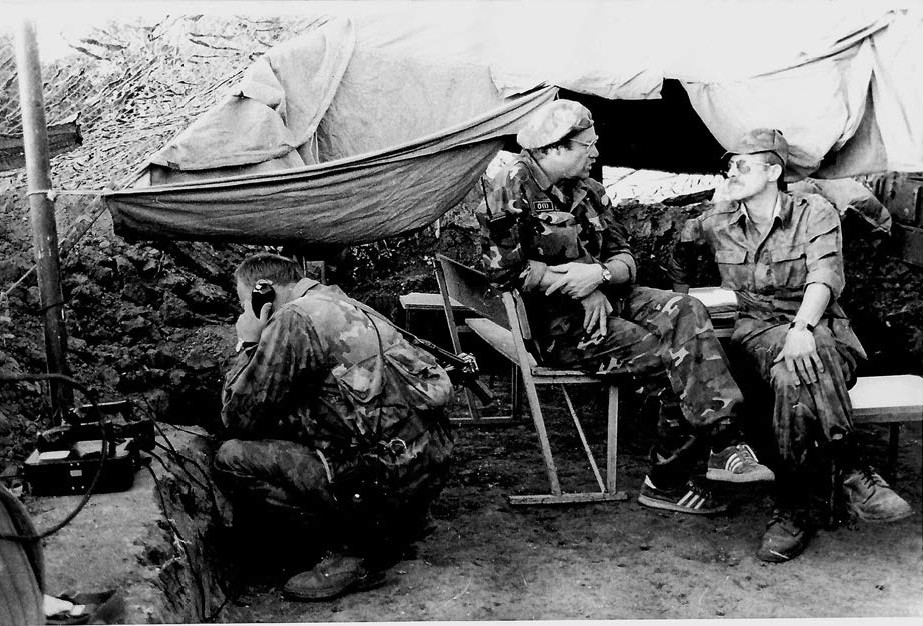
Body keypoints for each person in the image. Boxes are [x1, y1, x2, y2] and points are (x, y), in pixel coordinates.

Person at [476, 99, 774, 516]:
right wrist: (578, 287)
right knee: (676, 361)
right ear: (555, 148)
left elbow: (625, 260)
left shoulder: (591, 191)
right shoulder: (509, 187)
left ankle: (725, 443)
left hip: (612, 297)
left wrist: (598, 276)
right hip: (561, 325)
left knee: (686, 308)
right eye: (588, 145)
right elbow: (502, 272)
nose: (597, 153)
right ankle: (666, 482)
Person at [669, 128, 912, 562]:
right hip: (756, 332)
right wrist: (685, 301)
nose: (731, 172)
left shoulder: (814, 212)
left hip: (819, 325)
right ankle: (851, 466)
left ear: (773, 171)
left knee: (792, 374)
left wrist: (801, 327)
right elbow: (679, 255)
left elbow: (825, 276)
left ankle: (793, 509)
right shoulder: (717, 220)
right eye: (729, 166)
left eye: (742, 164)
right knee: (796, 361)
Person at [214, 253, 454, 600]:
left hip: (383, 480)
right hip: (425, 464)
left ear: (262, 292)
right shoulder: (340, 301)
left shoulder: (293, 318)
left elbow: (238, 417)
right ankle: (404, 522)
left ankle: (358, 549)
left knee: (231, 456)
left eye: (244, 303)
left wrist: (249, 342)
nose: (244, 313)